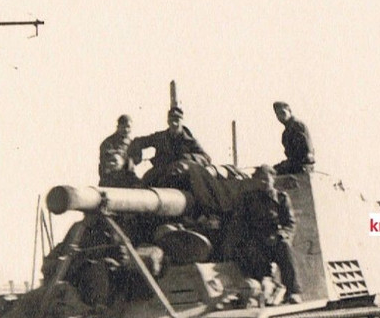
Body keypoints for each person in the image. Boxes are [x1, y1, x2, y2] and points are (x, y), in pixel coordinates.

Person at [224, 165, 303, 303]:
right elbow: (239, 223)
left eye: (266, 179)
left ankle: (293, 291)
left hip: (275, 240)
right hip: (256, 240)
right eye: (259, 179)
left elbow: (290, 223)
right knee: (251, 252)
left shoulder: (281, 198)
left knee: (285, 248)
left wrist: (281, 235)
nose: (263, 182)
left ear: (273, 179)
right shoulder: (248, 199)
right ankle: (263, 288)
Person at [128, 104, 212, 185]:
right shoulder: (160, 137)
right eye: (171, 120)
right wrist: (136, 158)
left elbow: (206, 158)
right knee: (144, 184)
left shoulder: (189, 141)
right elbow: (138, 142)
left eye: (177, 120)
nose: (174, 123)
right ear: (168, 121)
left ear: (181, 121)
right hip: (159, 172)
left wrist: (186, 158)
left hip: (180, 175)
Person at [272, 101, 315, 174]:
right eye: (278, 114)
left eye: (283, 113)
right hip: (296, 163)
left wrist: (287, 164)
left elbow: (304, 150)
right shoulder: (286, 132)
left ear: (290, 112)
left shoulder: (297, 125)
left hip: (302, 164)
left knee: (270, 172)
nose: (280, 116)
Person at [98, 114, 139, 187]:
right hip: (111, 179)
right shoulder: (108, 143)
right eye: (123, 126)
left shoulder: (132, 143)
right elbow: (110, 160)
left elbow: (137, 160)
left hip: (129, 178)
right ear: (118, 127)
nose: (126, 130)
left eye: (128, 127)